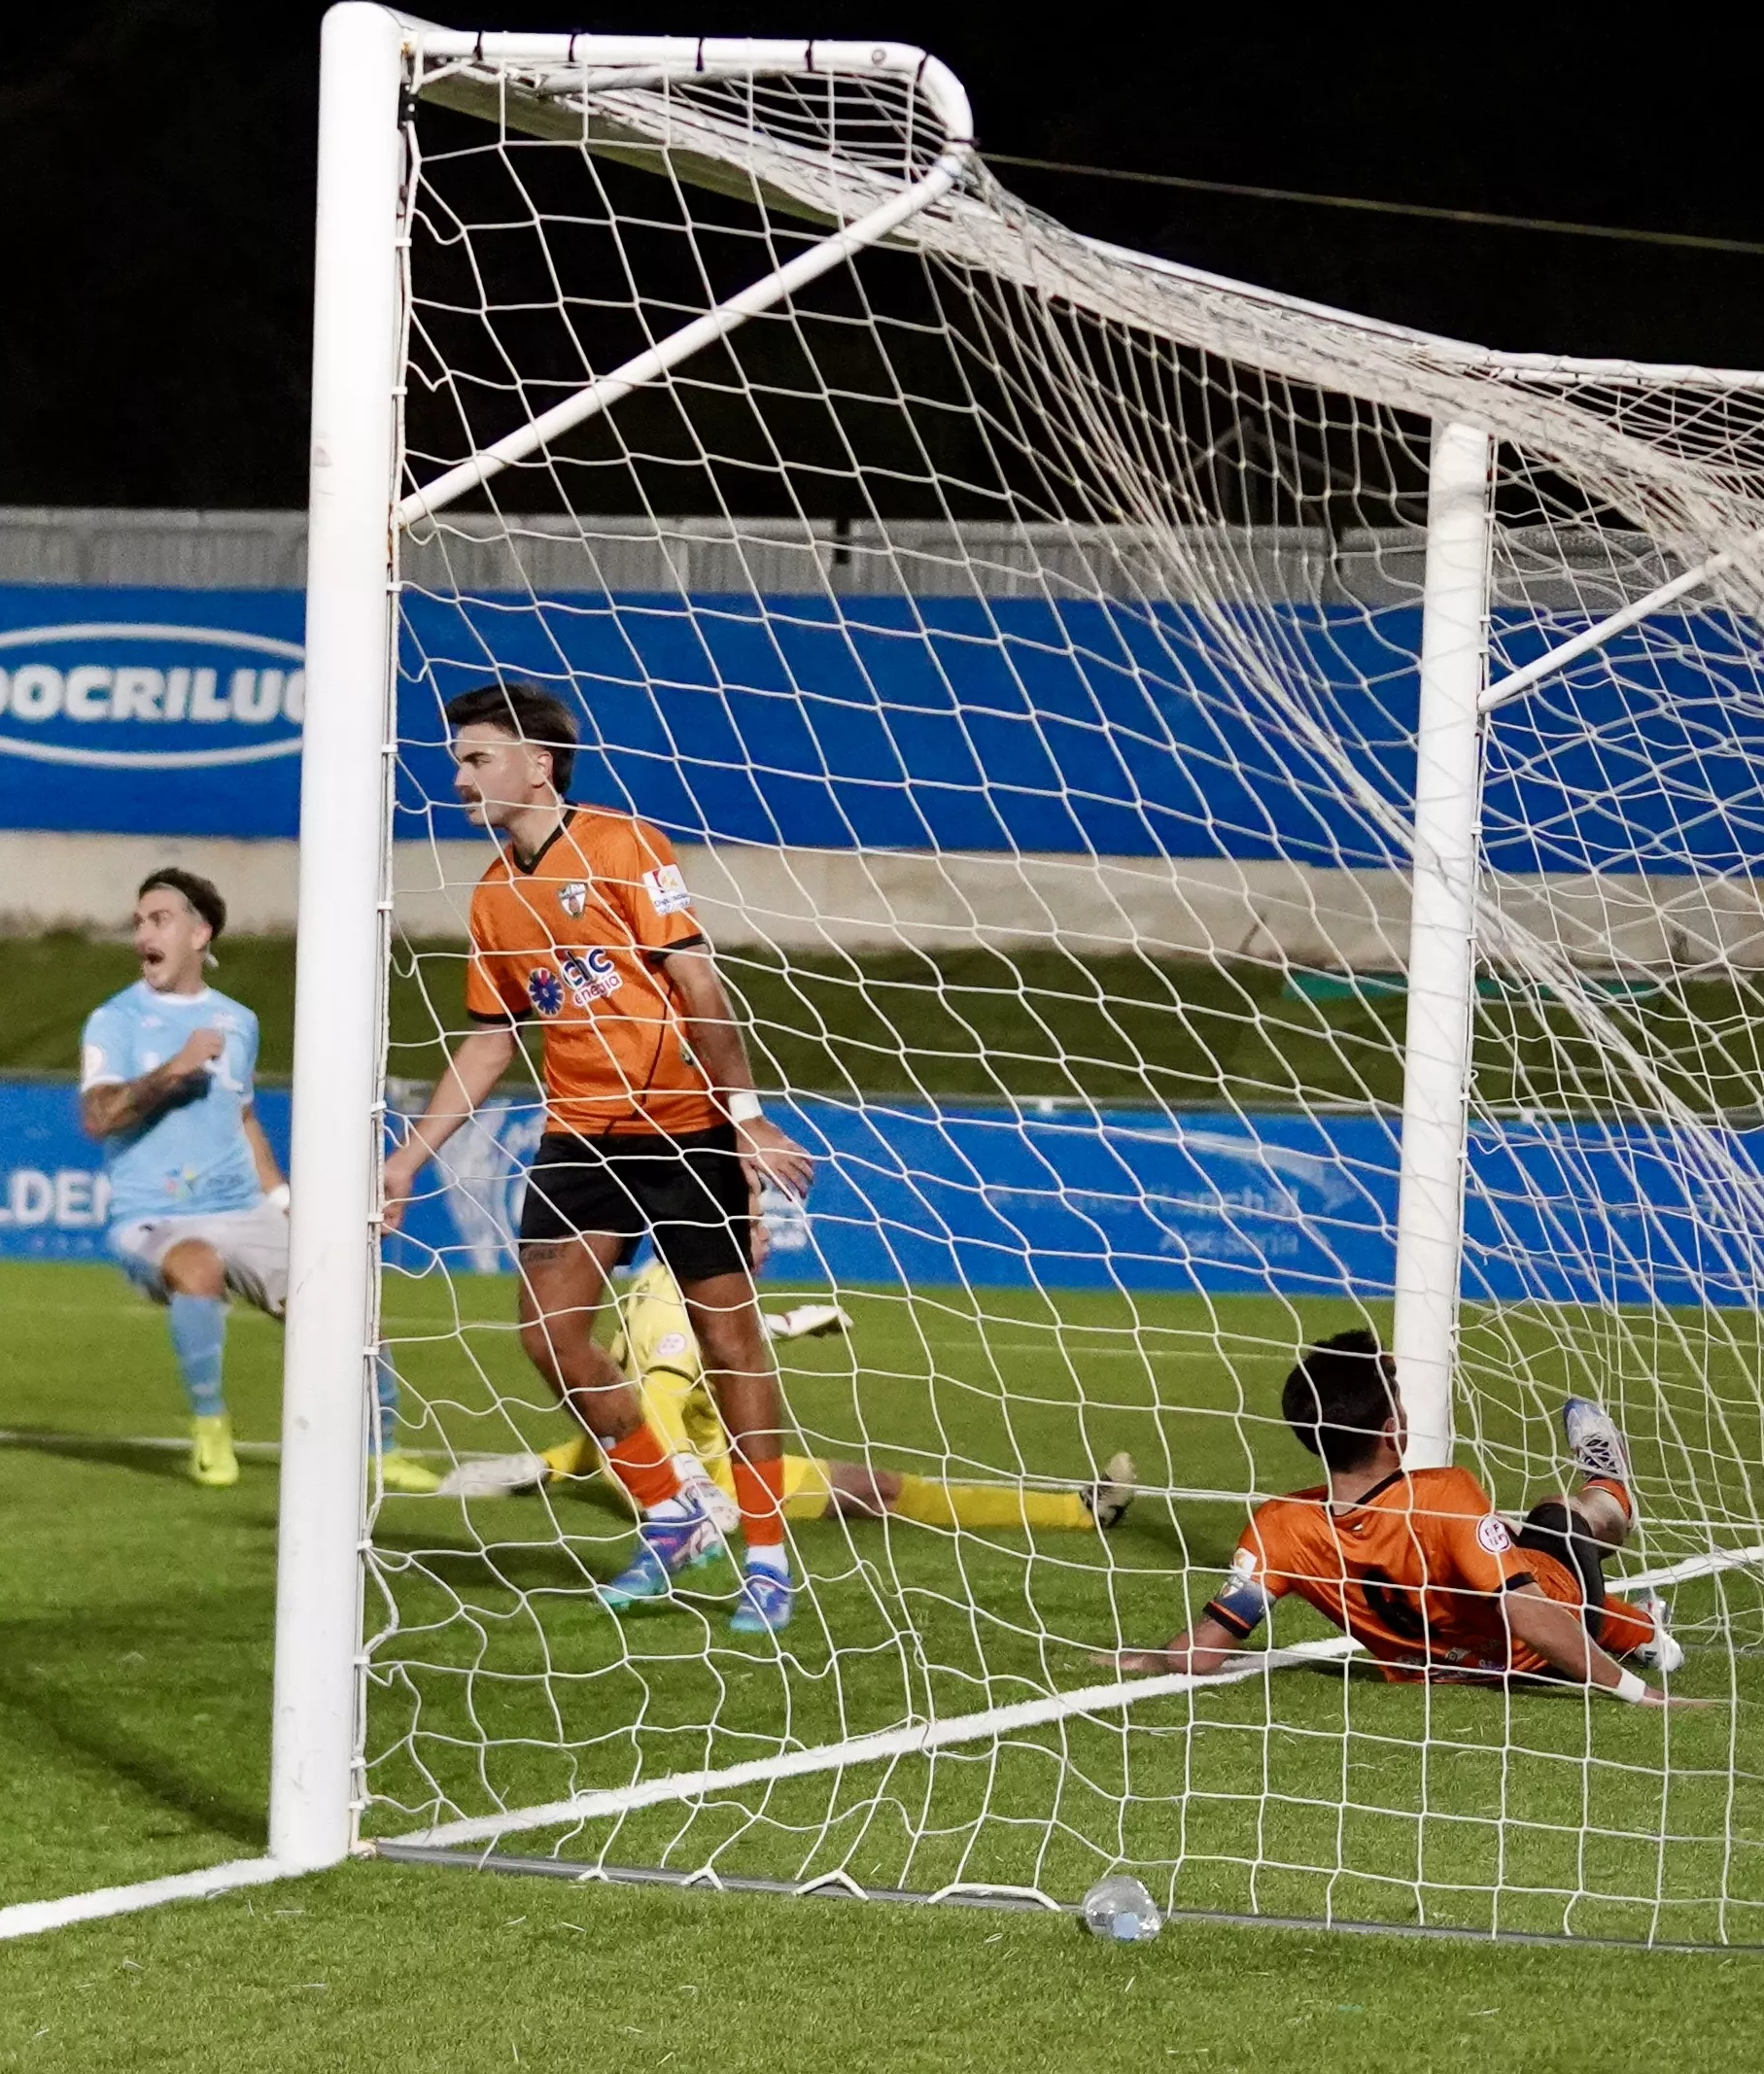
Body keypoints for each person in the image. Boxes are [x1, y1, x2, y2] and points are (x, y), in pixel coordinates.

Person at [377, 680, 816, 1634]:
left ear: (536, 764)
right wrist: (407, 1159)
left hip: (682, 1124)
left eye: (475, 757)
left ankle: (768, 1559)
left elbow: (695, 979)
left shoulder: (622, 845)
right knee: (548, 1334)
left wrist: (741, 1115)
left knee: (729, 1344)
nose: (456, 778)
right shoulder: (494, 896)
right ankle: (672, 1512)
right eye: (456, 759)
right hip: (578, 1135)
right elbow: (493, 1039)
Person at [80, 867, 437, 1495]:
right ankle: (210, 1429)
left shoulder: (238, 1022)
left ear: (200, 932)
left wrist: (284, 1202)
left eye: (158, 919)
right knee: (199, 1267)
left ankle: (384, 1454)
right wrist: (172, 1070)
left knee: (346, 1298)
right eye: (137, 922)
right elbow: (97, 1117)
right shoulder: (114, 1021)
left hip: (242, 1206)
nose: (143, 934)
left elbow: (242, 1117)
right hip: (152, 1216)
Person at [1121, 1330, 1684, 1699]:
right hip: (1555, 1633)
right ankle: (1610, 1488)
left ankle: (1636, 1613)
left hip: (1464, 1654)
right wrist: (1637, 1692)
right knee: (1560, 1516)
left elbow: (1200, 1652)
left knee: (1501, 1539)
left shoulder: (1279, 1526)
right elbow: (1531, 1616)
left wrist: (1143, 1659)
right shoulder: (1446, 1493)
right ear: (1394, 1431)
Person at [509, 1257, 1136, 1537]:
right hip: (708, 1485)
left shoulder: (658, 1283)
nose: (764, 1238)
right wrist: (691, 1498)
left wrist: (550, 1463)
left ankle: (1077, 1510)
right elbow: (657, 1403)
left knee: (882, 1489)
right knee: (885, 1491)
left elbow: (613, 1401)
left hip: (686, 1469)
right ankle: (1078, 1512)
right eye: (751, 1220)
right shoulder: (677, 1309)